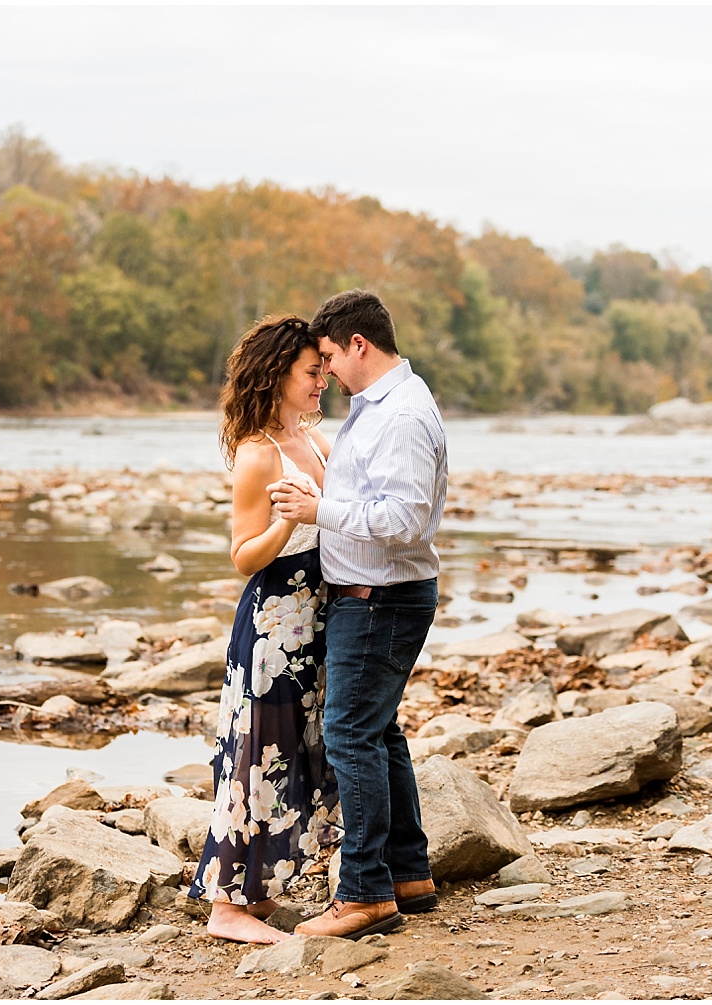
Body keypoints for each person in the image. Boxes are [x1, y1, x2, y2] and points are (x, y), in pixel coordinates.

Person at [269, 289, 448, 941]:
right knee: (380, 730)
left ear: (358, 346)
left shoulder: (398, 414)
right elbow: (378, 500)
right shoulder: (381, 406)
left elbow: (400, 522)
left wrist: (319, 512)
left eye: (328, 358)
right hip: (383, 595)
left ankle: (366, 892)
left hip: (380, 600)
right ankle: (407, 871)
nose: (327, 373)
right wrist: (329, 500)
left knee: (349, 733)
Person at [187, 314, 342, 945]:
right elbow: (244, 557)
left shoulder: (316, 439)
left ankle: (263, 892)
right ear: (279, 374)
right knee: (258, 758)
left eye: (326, 369)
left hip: (320, 619)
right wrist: (285, 525)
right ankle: (227, 906)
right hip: (274, 627)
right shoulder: (257, 455)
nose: (322, 381)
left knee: (309, 752)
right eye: (312, 371)